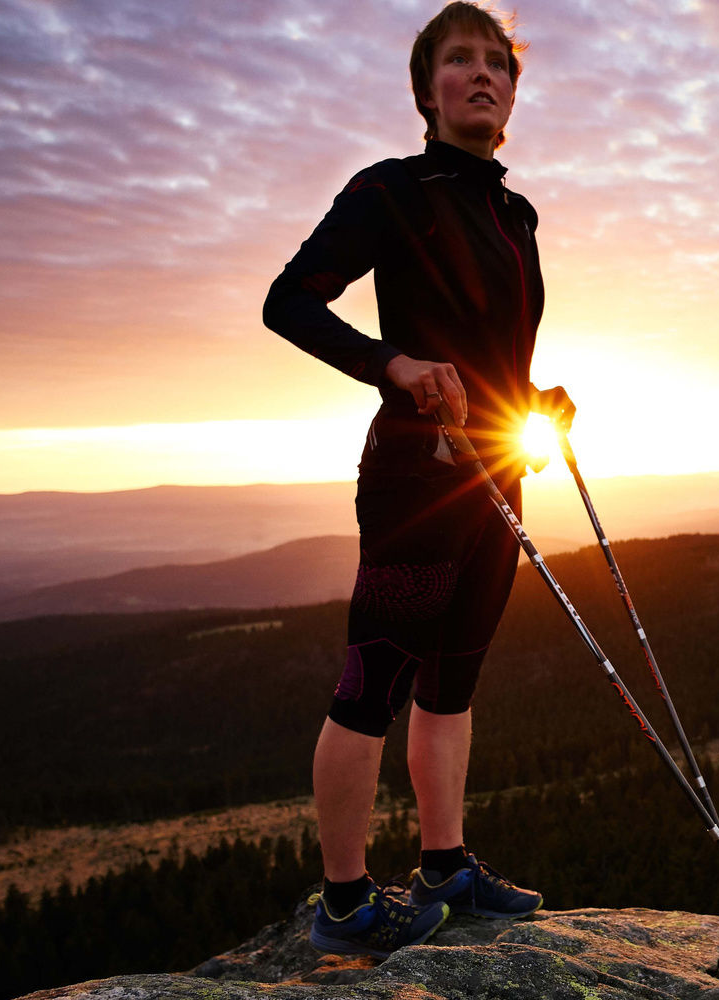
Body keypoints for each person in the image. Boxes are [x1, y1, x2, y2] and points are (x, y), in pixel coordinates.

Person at [261, 1, 573, 958]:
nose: (483, 75)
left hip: (496, 471)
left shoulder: (513, 210)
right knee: (376, 678)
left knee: (453, 681)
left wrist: (539, 403)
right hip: (415, 470)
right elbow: (288, 301)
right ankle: (346, 904)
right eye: (460, 61)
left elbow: (496, 352)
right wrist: (391, 364)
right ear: (425, 89)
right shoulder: (391, 190)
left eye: (499, 64)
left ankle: (446, 867)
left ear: (513, 92)